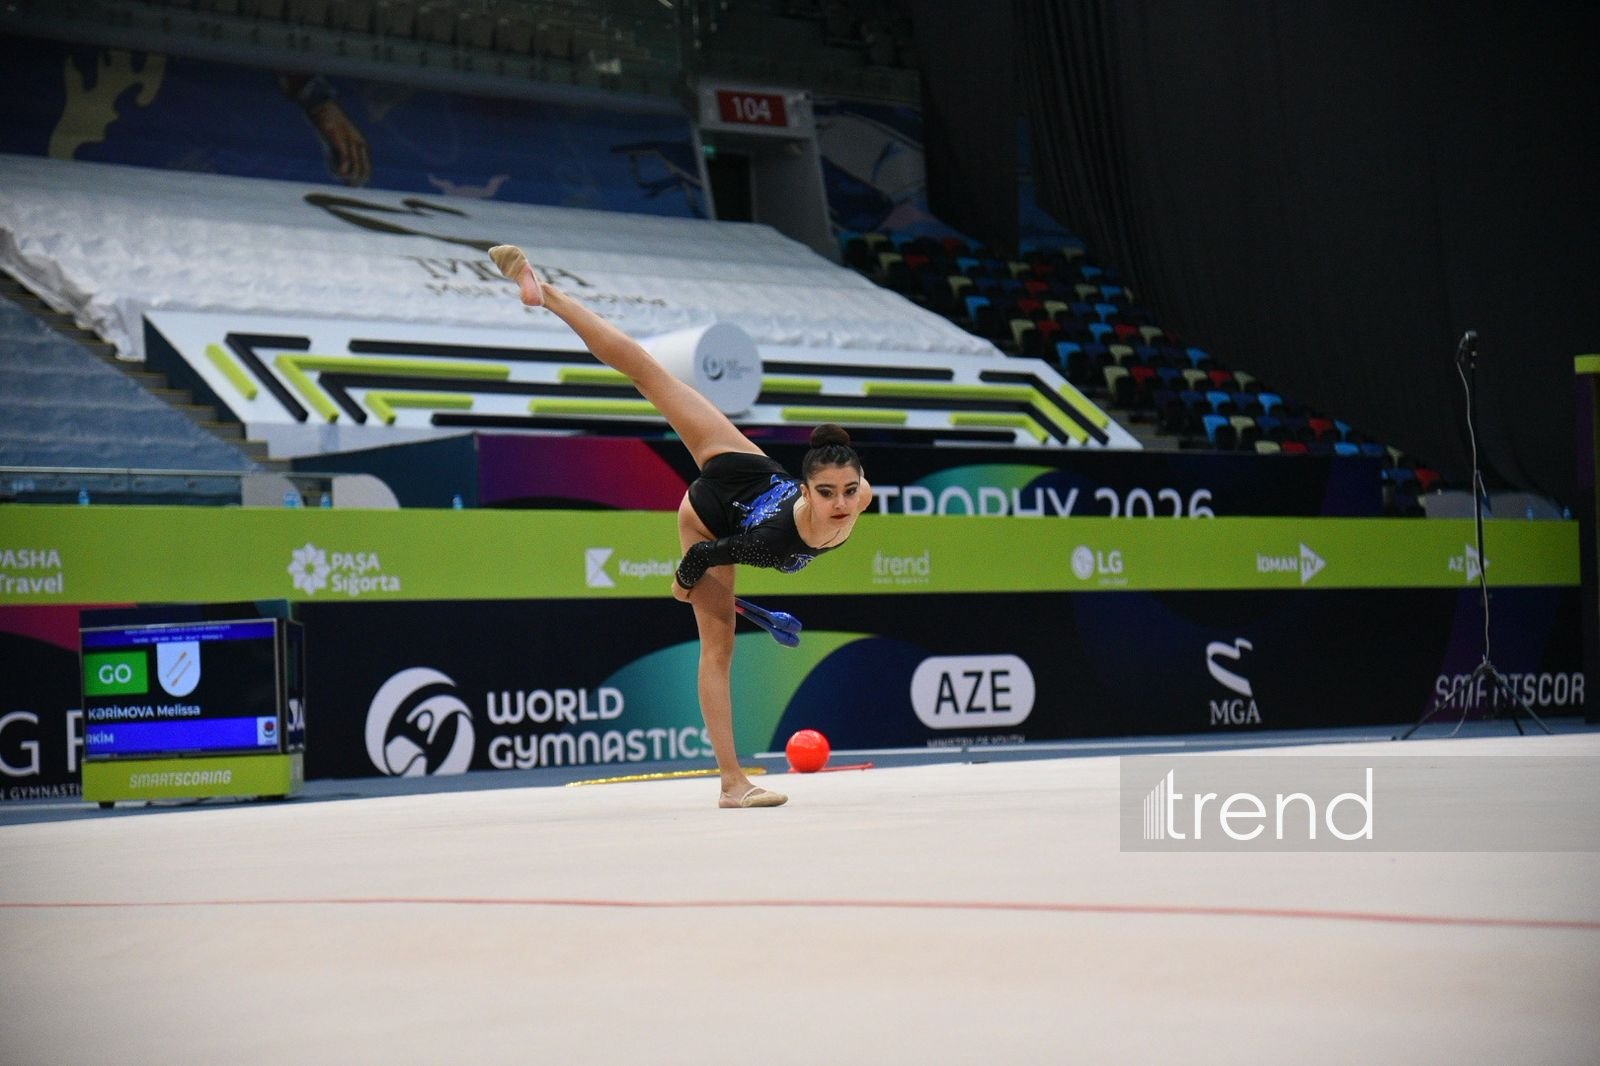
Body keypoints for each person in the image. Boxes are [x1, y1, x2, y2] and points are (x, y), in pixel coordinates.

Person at [489, 244, 873, 808]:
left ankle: (541, 290)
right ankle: (731, 784)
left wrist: (839, 488)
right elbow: (702, 558)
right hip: (717, 506)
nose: (840, 504)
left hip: (751, 480)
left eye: (847, 492)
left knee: (648, 375)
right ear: (806, 489)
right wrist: (684, 580)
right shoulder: (771, 543)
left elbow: (845, 484)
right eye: (826, 494)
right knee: (717, 648)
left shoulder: (860, 494)